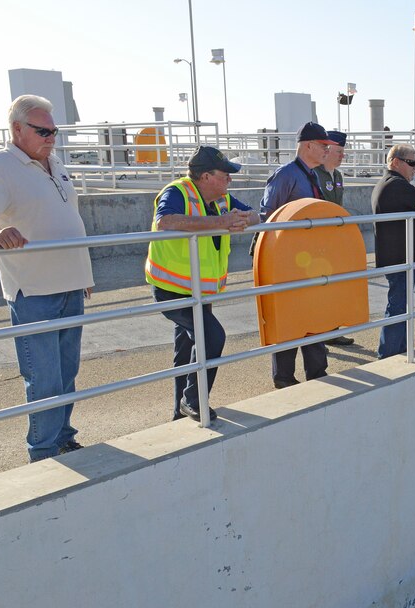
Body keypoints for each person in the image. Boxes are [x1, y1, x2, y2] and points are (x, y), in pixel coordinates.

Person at [0, 94, 95, 461]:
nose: (51, 137)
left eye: (53, 131)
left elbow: (69, 221)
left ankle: (64, 437)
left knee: (67, 372)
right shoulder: (2, 165)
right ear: (17, 129)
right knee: (44, 377)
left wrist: (83, 274)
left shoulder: (55, 164)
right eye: (43, 131)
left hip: (71, 285)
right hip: (35, 289)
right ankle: (43, 450)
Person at [146, 146, 258, 422]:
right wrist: (220, 222)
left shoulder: (221, 199)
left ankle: (179, 411)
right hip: (172, 288)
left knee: (185, 349)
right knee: (212, 337)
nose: (229, 181)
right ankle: (193, 400)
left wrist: (243, 219)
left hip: (199, 290)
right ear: (206, 176)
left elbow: (254, 214)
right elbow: (165, 222)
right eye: (225, 175)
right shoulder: (178, 192)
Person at [259, 121, 337, 388]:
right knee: (289, 318)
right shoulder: (287, 175)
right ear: (308, 146)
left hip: (309, 259)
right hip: (286, 260)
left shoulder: (313, 175)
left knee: (314, 313)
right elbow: (266, 216)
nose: (328, 149)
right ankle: (284, 377)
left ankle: (317, 370)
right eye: (324, 145)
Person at [372, 144, 415, 358]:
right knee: (398, 305)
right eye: (411, 163)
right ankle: (388, 353)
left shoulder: (387, 183)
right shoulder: (396, 184)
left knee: (401, 304)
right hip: (399, 255)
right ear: (395, 162)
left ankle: (399, 349)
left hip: (397, 254)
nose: (414, 168)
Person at [315, 130, 355, 347]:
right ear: (328, 150)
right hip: (318, 241)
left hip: (334, 239)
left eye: (343, 152)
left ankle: (332, 329)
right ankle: (320, 335)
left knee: (334, 287)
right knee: (320, 287)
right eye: (339, 151)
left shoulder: (337, 176)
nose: (342, 156)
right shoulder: (315, 174)